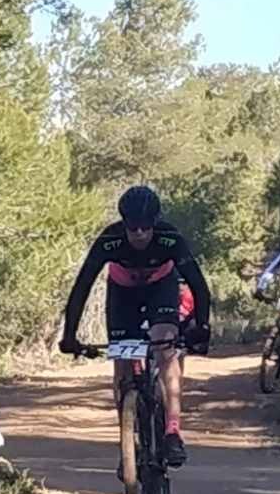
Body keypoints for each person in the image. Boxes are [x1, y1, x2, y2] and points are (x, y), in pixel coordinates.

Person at [59, 186, 211, 469]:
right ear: (124, 223)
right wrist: (70, 336)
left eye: (145, 227)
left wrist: (201, 327)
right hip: (123, 293)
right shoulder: (110, 239)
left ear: (155, 223)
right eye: (132, 227)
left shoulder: (170, 238)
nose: (139, 233)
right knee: (122, 365)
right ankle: (128, 443)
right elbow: (81, 288)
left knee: (165, 346)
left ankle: (173, 432)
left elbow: (199, 286)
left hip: (161, 289)